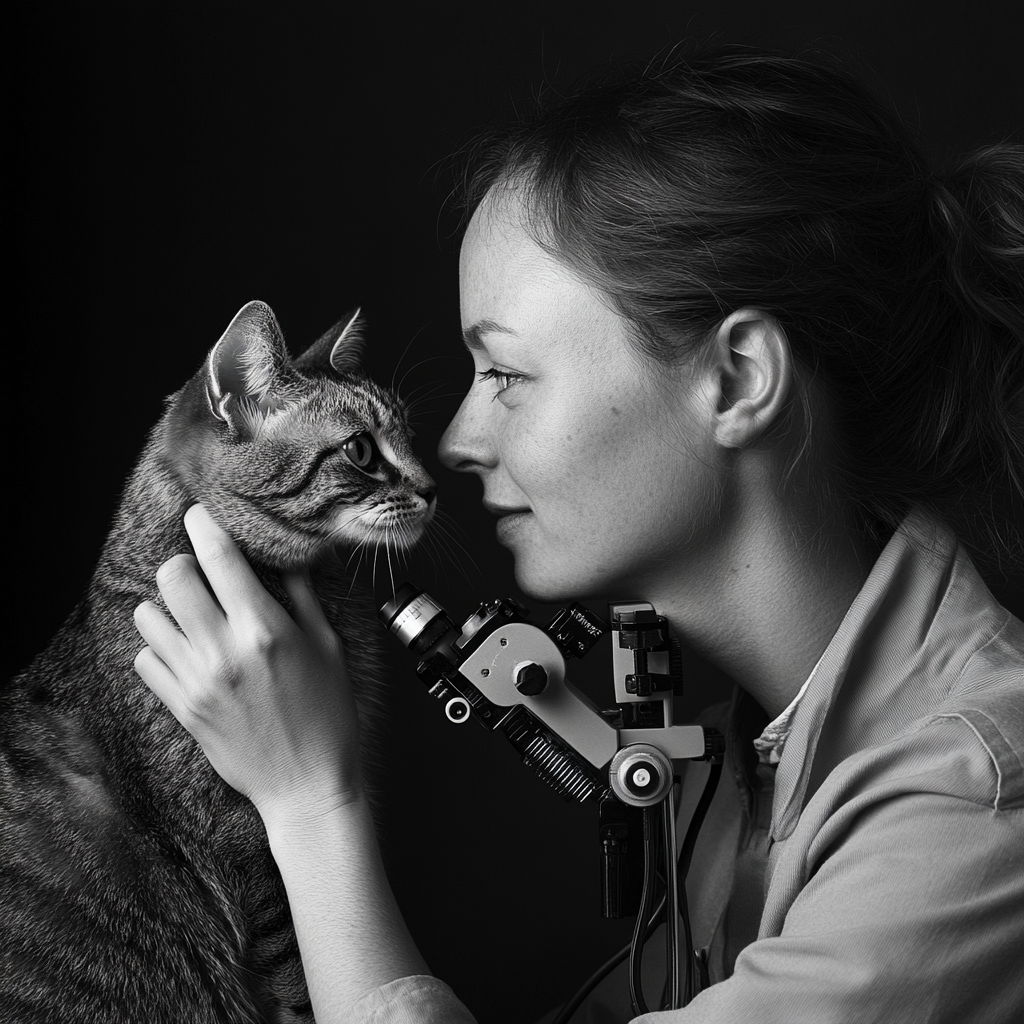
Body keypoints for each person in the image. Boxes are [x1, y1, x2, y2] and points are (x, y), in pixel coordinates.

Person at [133, 46, 1024, 1023]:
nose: (458, 444)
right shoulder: (746, 763)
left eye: (506, 375)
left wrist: (311, 805)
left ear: (737, 382)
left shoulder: (963, 811)